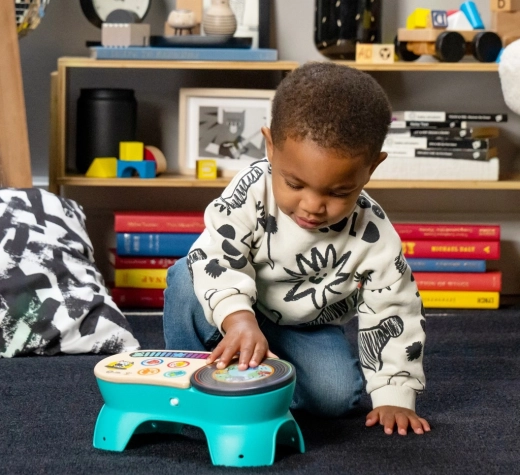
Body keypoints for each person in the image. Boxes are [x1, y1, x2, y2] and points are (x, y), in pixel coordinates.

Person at [164, 62, 430, 436]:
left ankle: (259, 380)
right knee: (186, 277)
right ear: (270, 147)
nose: (312, 206)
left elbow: (394, 309)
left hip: (304, 328)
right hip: (233, 306)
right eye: (294, 184)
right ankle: (192, 382)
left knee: (337, 398)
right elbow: (217, 258)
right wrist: (239, 319)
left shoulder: (374, 235)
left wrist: (394, 394)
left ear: (371, 168)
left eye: (338, 192)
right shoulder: (250, 191)